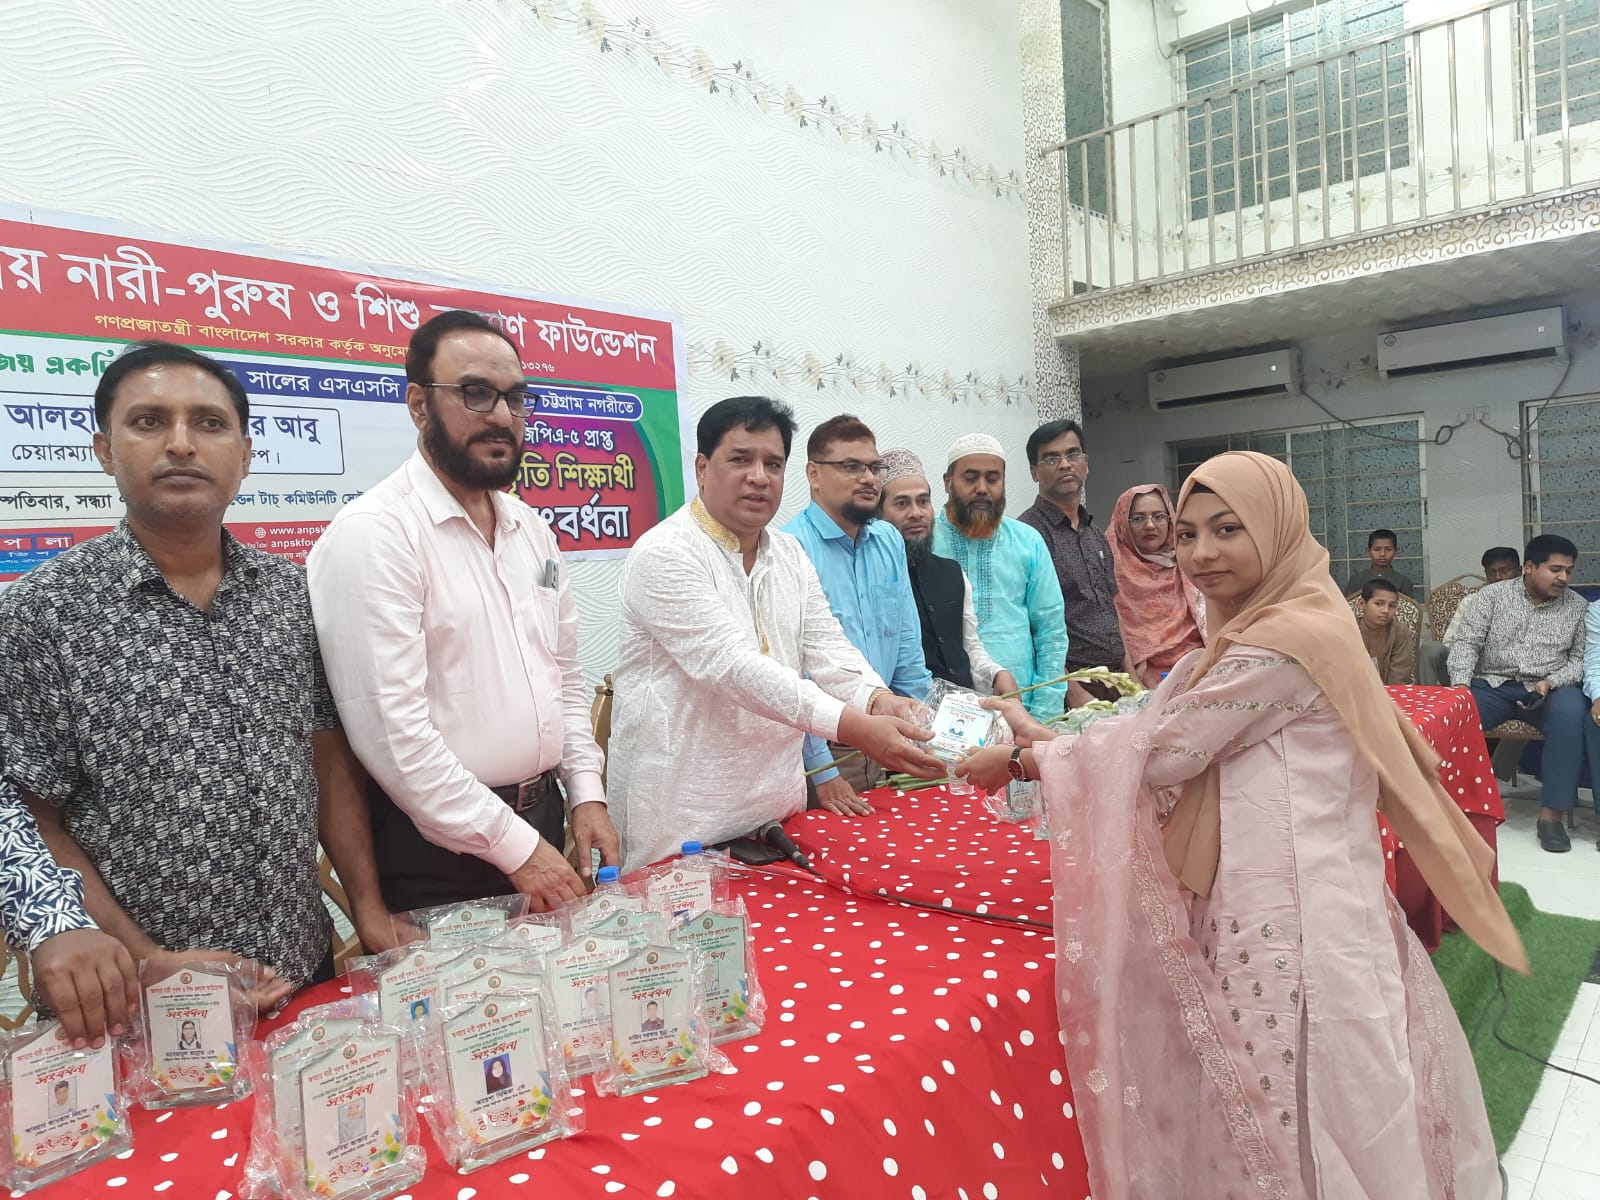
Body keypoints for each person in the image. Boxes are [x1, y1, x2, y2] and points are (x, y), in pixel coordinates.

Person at [958, 451, 1517, 1199]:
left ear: (1277, 529)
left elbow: (1167, 751)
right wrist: (1047, 736)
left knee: (1294, 1084)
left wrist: (1025, 758)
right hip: (1315, 886)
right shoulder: (1290, 620)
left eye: (1228, 529)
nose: (1201, 553)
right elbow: (1173, 724)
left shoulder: (1281, 642)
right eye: (1188, 535)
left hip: (1289, 904)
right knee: (1341, 1080)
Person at [0, 341, 387, 1015]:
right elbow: (33, 818)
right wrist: (145, 960)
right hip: (138, 1002)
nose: (181, 443)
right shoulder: (42, 612)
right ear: (104, 450)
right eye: (149, 421)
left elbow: (326, 761)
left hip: (303, 971)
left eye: (209, 423)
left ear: (244, 455)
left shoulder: (291, 595)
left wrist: (369, 908)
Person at [308, 311, 618, 912]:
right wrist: (518, 850)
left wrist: (586, 793)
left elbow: (563, 673)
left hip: (542, 818)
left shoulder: (531, 528)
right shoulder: (375, 534)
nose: (501, 416)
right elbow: (394, 738)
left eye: (515, 397)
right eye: (475, 393)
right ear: (418, 405)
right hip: (436, 853)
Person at [607, 396, 943, 871]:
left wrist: (878, 700)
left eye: (773, 464)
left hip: (777, 815)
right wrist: (854, 727)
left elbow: (828, 648)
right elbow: (734, 668)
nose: (759, 477)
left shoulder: (788, 554)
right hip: (682, 823)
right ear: (702, 468)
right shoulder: (665, 553)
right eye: (740, 460)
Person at [784, 416, 932, 814]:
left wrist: (920, 729)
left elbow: (906, 643)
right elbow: (791, 672)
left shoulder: (888, 539)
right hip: (825, 749)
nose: (868, 478)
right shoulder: (789, 548)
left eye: (873, 467)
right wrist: (821, 769)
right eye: (850, 466)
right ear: (814, 474)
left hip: (889, 732)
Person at [1448, 534, 1594, 853]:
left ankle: (1551, 818)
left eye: (1569, 571)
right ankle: (1455, 808)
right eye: (1555, 569)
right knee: (1453, 716)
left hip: (1549, 689)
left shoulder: (1577, 607)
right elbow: (1466, 643)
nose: (1564, 578)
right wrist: (1460, 687)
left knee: (1572, 714)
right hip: (1493, 684)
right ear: (1529, 567)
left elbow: (1579, 661)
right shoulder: (1491, 596)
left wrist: (1551, 681)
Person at [932, 434, 1068, 719]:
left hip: (1022, 708)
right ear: (947, 482)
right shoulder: (925, 541)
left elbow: (1051, 633)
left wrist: (1044, 714)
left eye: (993, 479)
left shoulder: (1028, 541)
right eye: (970, 478)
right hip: (944, 714)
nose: (982, 488)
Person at [0, 778, 136, 1049]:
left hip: (226, 985)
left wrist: (53, 919)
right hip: (92, 980)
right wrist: (54, 917)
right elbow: (33, 814)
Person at [876, 448, 1016, 699]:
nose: (916, 513)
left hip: (965, 712)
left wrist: (996, 674)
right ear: (879, 515)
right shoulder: (874, 582)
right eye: (902, 503)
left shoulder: (952, 573)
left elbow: (969, 647)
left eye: (923, 501)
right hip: (905, 714)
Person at [1018, 421, 1132, 699]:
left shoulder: (1094, 533)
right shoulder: (1026, 535)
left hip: (1116, 681)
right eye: (1051, 458)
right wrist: (1072, 692)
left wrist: (1132, 676)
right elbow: (1027, 625)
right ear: (1034, 472)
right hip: (1070, 689)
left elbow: (1110, 606)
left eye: (1073, 454)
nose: (1065, 464)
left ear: (1086, 463)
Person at [1106, 484, 1204, 690]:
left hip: (1201, 671)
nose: (1150, 525)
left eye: (1159, 516)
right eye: (1138, 518)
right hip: (1141, 683)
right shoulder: (1110, 569)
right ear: (1123, 523)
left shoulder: (1190, 562)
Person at [1355, 578, 1416, 685]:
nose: (1386, 610)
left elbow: (1399, 678)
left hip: (1390, 692)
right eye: (1379, 604)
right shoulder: (1349, 630)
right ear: (1362, 604)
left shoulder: (1400, 633)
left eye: (1392, 606)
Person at [1342, 528, 1416, 598]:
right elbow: (1347, 605)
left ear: (1396, 551)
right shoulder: (1356, 580)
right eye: (1377, 549)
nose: (1382, 554)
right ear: (1368, 551)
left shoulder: (1403, 581)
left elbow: (1408, 606)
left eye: (1388, 549)